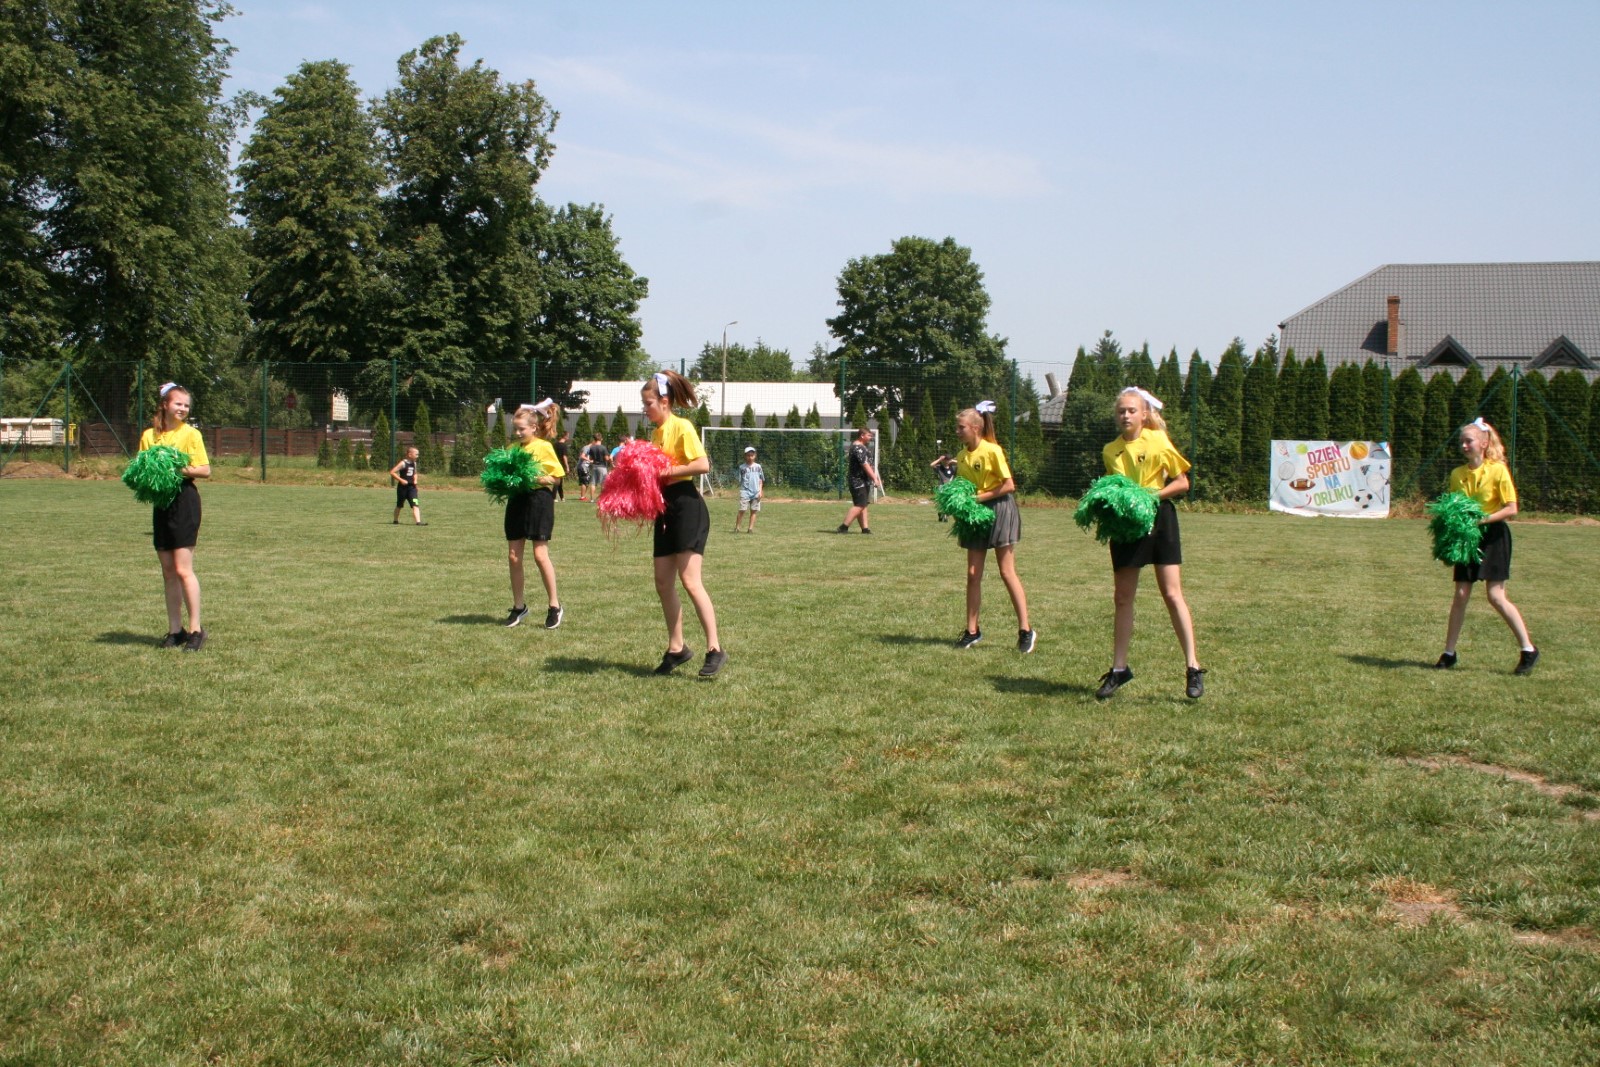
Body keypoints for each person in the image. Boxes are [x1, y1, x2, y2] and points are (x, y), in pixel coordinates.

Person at [1095, 386, 1205, 699]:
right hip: (1127, 525)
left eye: (1132, 410)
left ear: (1144, 414)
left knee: (1171, 593)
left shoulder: (1157, 440)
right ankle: (1119, 669)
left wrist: (1150, 496)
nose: (1126, 415)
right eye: (1121, 411)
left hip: (1160, 519)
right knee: (1122, 597)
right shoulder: (1110, 450)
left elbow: (1182, 482)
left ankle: (1193, 667)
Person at [1435, 417, 1538, 674]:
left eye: (1468, 441)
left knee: (1496, 596)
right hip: (1468, 537)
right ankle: (1449, 653)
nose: (1464, 446)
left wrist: (1482, 520)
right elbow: (1454, 508)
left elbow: (1511, 508)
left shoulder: (1498, 470)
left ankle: (1528, 649)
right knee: (1461, 595)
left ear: (1483, 443)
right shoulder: (1457, 474)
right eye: (1461, 441)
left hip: (1493, 536)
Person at [642, 369, 726, 677]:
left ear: (664, 401)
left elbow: (702, 464)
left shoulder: (682, 427)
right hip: (665, 508)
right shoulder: (656, 433)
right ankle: (677, 648)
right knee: (663, 582)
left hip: (687, 506)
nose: (645, 409)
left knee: (690, 581)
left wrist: (664, 472)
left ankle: (715, 649)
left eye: (648, 403)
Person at [937, 401, 1034, 653]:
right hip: (975, 513)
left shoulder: (992, 450)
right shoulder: (961, 456)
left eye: (961, 427)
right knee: (972, 574)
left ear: (975, 428)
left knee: (1006, 572)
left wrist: (978, 498)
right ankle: (972, 631)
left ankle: (1026, 630)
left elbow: (1009, 485)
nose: (957, 432)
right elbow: (964, 487)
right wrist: (958, 502)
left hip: (1000, 509)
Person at [140, 382, 211, 651]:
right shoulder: (149, 436)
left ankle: (196, 630)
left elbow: (204, 470)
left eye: (186, 405)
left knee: (183, 570)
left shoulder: (191, 434)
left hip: (184, 501)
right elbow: (142, 468)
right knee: (168, 571)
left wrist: (174, 468)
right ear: (165, 405)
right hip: (162, 503)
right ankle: (175, 630)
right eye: (178, 403)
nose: (183, 408)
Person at [502, 401, 564, 629]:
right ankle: (519, 607)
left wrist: (533, 477)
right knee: (513, 556)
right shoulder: (512, 449)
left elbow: (556, 479)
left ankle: (554, 606)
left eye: (522, 429)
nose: (518, 433)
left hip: (539, 500)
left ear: (534, 428)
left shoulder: (544, 447)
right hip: (517, 500)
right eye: (515, 429)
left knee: (540, 555)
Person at [837, 427, 882, 533]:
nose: (871, 437)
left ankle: (865, 529)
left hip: (864, 481)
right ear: (862, 435)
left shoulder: (862, 447)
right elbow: (865, 465)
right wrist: (874, 478)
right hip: (857, 481)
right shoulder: (858, 448)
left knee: (863, 505)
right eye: (869, 435)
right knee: (860, 505)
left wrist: (873, 477)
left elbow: (869, 464)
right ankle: (843, 527)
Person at [389, 446, 425, 525]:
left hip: (412, 488)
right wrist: (401, 480)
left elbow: (415, 473)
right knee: (399, 505)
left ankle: (418, 522)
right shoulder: (403, 463)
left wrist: (415, 480)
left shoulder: (414, 463)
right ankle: (395, 520)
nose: (417, 456)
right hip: (402, 488)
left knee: (415, 503)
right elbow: (392, 472)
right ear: (410, 454)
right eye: (416, 454)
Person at [733, 446, 765, 533]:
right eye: (748, 455)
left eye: (752, 455)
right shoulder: (742, 467)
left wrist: (760, 491)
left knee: (754, 511)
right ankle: (737, 528)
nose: (750, 457)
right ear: (745, 456)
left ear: (755, 456)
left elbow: (761, 480)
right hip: (745, 491)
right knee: (742, 509)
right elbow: (740, 480)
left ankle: (750, 529)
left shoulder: (758, 467)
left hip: (756, 492)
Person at [930, 441, 956, 523]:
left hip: (950, 487)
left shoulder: (953, 467)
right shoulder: (939, 468)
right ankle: (942, 515)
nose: (946, 461)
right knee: (942, 502)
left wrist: (953, 461)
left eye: (948, 460)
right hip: (942, 487)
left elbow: (962, 463)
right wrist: (939, 459)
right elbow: (931, 465)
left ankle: (945, 515)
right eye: (945, 460)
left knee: (949, 502)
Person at [581, 432, 609, 502]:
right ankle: (602, 499)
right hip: (602, 467)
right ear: (601, 439)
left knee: (593, 483)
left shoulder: (592, 448)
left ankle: (592, 499)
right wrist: (609, 458)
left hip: (594, 466)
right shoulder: (603, 448)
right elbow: (606, 458)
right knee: (603, 483)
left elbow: (591, 458)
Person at [552, 429, 570, 501]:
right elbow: (564, 456)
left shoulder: (555, 444)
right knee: (557, 481)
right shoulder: (564, 446)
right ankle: (554, 497)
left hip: (554, 463)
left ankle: (562, 497)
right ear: (565, 436)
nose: (568, 437)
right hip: (561, 465)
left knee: (560, 481)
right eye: (568, 436)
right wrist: (567, 466)